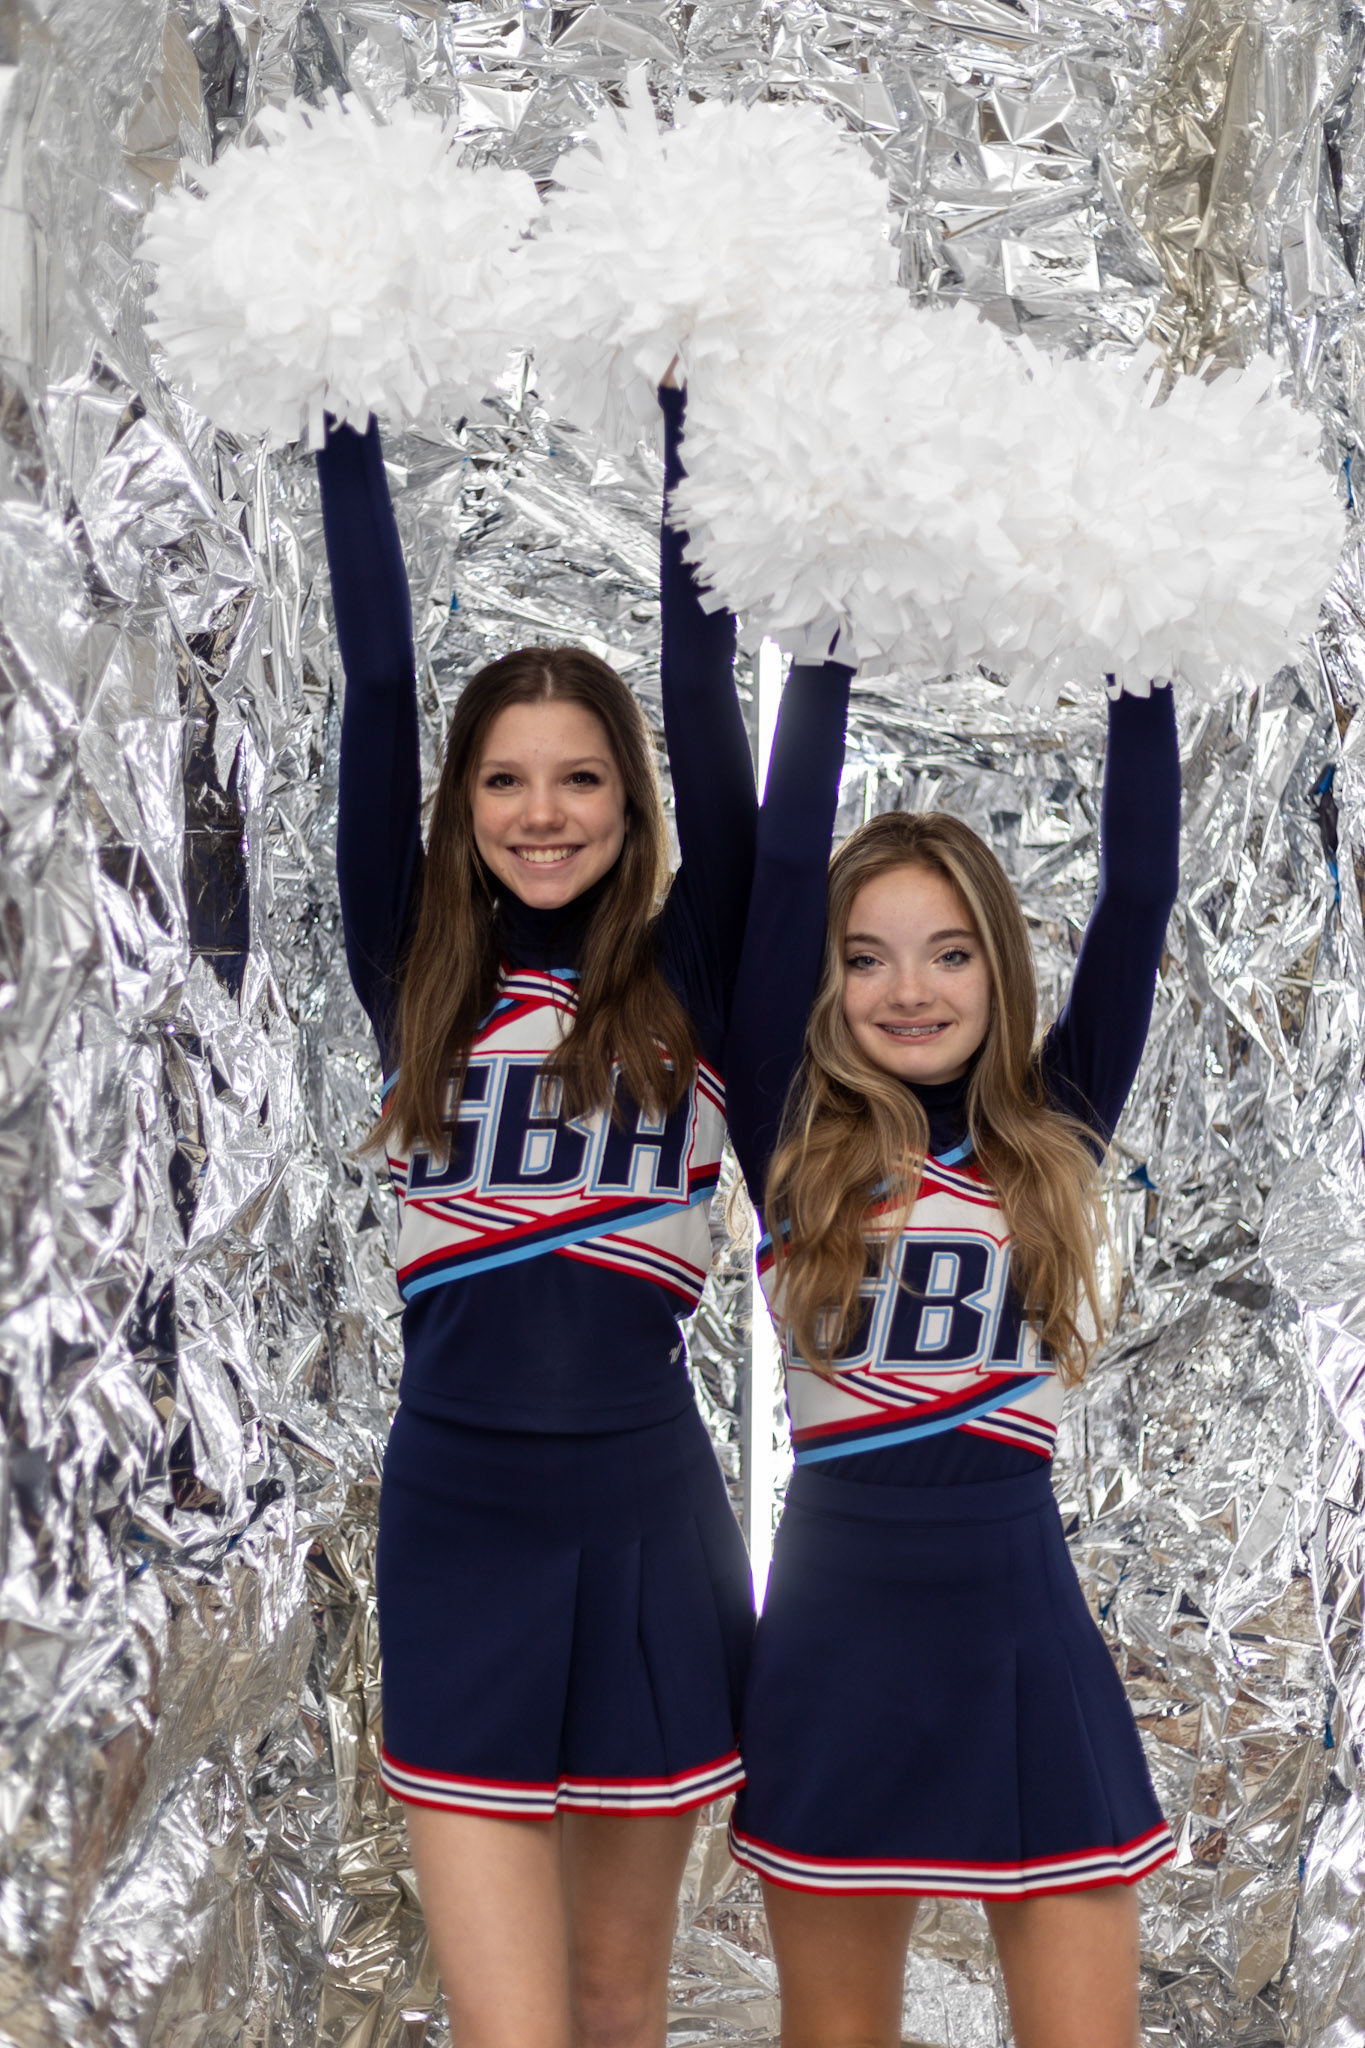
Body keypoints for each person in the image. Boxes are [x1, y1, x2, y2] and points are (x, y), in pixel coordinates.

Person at [314, 382, 756, 2048]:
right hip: (459, 1524)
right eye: (505, 780)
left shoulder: (695, 975)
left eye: (583, 779)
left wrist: (681, 411)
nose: (545, 811)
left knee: (609, 2001)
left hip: (647, 1524)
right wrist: (334, 395)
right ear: (462, 809)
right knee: (511, 2028)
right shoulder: (415, 970)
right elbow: (374, 682)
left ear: (632, 808)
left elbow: (707, 694)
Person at [722, 648, 1181, 2048]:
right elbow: (785, 852)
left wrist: (1139, 641)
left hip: (1017, 1639)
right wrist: (835, 614)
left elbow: (1140, 890)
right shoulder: (791, 1135)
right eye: (864, 956)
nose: (905, 989)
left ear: (999, 966)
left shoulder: (1056, 1127)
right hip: (836, 1642)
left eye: (948, 950)